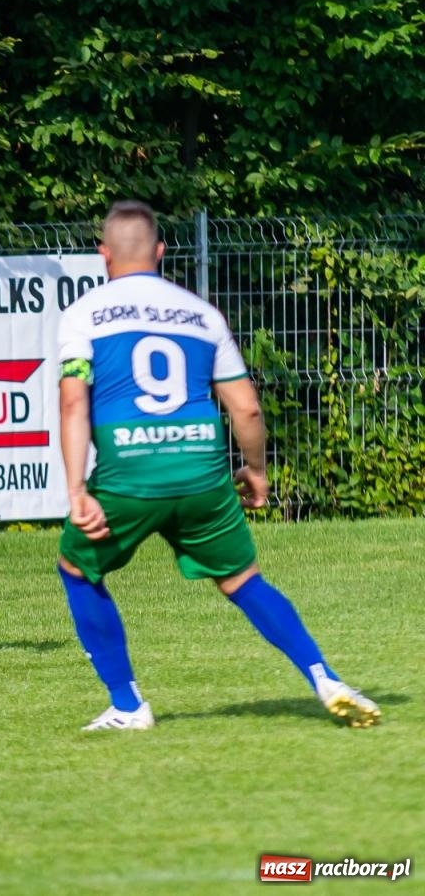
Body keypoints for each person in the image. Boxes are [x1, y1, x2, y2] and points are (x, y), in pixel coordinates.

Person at [54, 200, 380, 730]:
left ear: (103, 255)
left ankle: (128, 705)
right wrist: (255, 470)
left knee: (77, 568)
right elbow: (246, 407)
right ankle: (326, 678)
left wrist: (76, 489)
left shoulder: (84, 314)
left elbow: (74, 403)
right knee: (242, 579)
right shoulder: (202, 316)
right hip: (202, 468)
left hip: (129, 472)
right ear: (160, 252)